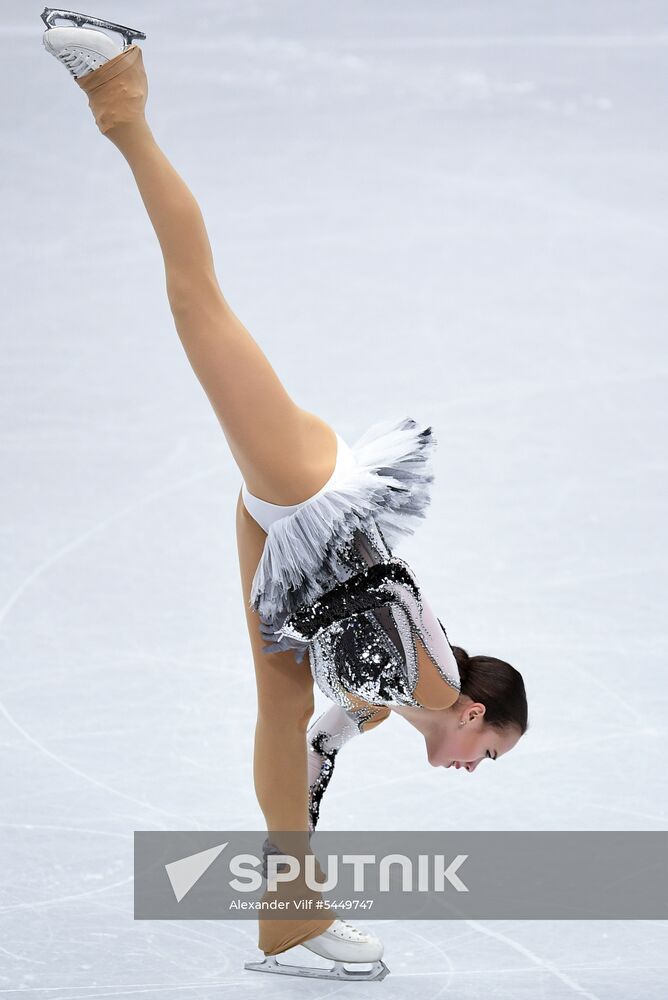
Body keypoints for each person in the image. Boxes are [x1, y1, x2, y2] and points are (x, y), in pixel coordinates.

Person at [41, 9, 528, 983]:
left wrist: (327, 738)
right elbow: (362, 641)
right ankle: (118, 90)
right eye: (489, 753)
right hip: (308, 494)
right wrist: (332, 731)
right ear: (472, 714)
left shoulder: (405, 702)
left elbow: (332, 703)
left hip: (288, 543)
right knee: (197, 302)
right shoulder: (423, 687)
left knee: (275, 710)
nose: (474, 771)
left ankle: (287, 919)